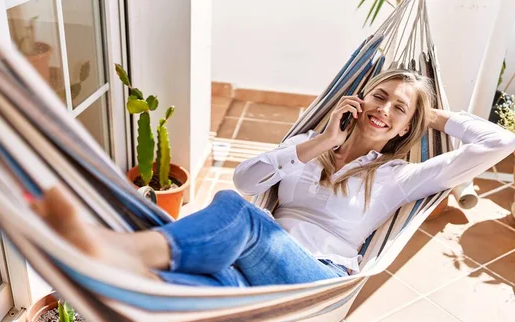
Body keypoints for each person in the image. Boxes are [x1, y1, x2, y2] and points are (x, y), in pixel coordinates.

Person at [33, 69, 515, 288]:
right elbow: (247, 179)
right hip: (256, 268)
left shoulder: (401, 176)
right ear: (360, 97)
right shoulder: (312, 143)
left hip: (315, 280)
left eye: (399, 108)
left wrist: (435, 117)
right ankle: (123, 289)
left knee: (238, 215)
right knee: (204, 282)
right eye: (380, 96)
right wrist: (323, 142)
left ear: (408, 125)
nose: (383, 109)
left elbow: (501, 143)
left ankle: (115, 250)